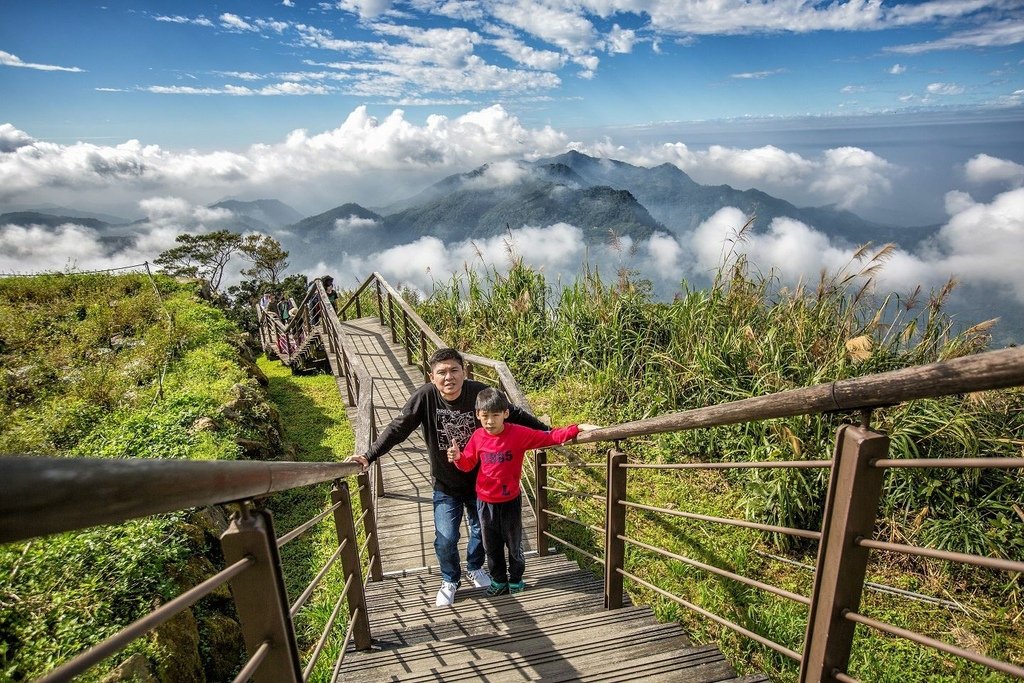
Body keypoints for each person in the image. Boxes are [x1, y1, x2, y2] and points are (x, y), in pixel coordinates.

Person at [348, 348, 551, 607]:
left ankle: (475, 567)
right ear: (432, 377)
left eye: (454, 370)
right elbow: (398, 428)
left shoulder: (479, 393)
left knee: (482, 532)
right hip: (446, 485)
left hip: (481, 485)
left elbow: (515, 415)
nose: (448, 377)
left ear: (464, 372)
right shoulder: (425, 397)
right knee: (446, 537)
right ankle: (450, 579)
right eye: (441, 372)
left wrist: (547, 432)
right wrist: (369, 455)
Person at [448, 388, 580, 596]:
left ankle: (516, 579)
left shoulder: (518, 433)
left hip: (510, 501)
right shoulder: (478, 436)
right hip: (485, 502)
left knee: (514, 544)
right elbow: (467, 464)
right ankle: (499, 581)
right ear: (477, 415)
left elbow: (547, 437)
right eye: (485, 416)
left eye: (495, 415)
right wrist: (457, 458)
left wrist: (574, 429)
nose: (490, 421)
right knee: (491, 545)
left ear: (506, 414)